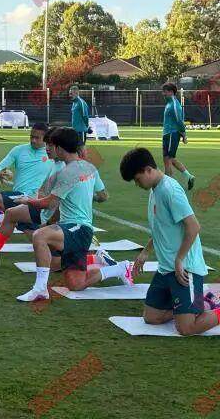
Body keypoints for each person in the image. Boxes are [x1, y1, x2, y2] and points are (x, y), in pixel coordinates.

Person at [14, 127, 132, 302]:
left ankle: (40, 289)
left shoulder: (67, 172)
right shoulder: (89, 167)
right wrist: (85, 195)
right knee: (76, 284)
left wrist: (27, 201)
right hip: (79, 230)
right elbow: (103, 196)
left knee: (39, 236)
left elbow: (50, 203)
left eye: (53, 146)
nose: (50, 149)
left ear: (60, 148)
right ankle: (120, 268)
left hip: (76, 228)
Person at [120, 147, 220, 335]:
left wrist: (179, 259)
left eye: (137, 179)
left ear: (148, 170)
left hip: (185, 269)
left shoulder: (170, 190)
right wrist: (145, 252)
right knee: (151, 317)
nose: (137, 184)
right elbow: (161, 228)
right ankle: (198, 304)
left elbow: (193, 227)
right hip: (166, 269)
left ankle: (203, 306)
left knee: (186, 328)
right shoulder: (155, 190)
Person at [0, 123, 53, 252]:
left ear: (46, 139)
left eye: (37, 138)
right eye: (31, 136)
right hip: (19, 196)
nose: (33, 140)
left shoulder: (52, 156)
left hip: (34, 201)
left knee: (37, 238)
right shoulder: (19, 150)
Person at [161, 82, 195, 190]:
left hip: (172, 134)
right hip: (167, 134)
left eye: (165, 92)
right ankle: (189, 177)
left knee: (168, 159)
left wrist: (184, 135)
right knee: (168, 159)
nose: (163, 94)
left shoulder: (175, 105)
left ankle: (169, 185)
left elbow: (179, 121)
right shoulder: (169, 103)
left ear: (171, 92)